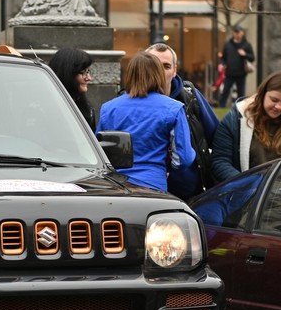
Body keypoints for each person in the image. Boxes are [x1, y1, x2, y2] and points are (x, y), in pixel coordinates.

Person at [96, 52, 195, 194]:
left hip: (115, 187)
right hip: (153, 186)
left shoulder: (109, 108)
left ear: (129, 75)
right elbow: (183, 158)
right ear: (158, 75)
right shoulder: (173, 108)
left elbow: (99, 152)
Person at [211, 70, 281, 182]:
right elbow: (220, 161)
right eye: (274, 100)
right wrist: (246, 184)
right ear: (262, 94)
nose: (278, 107)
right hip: (247, 193)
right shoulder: (235, 118)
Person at [146, 43, 219, 200]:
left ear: (174, 70)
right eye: (154, 65)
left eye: (166, 66)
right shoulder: (129, 102)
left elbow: (217, 137)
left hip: (194, 195)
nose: (159, 71)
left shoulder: (190, 97)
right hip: (149, 194)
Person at [48, 47, 96, 130]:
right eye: (83, 72)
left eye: (88, 71)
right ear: (68, 74)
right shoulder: (44, 107)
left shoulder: (87, 109)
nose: (89, 78)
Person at [218, 25, 255, 108]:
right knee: (225, 91)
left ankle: (240, 108)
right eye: (235, 32)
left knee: (241, 93)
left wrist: (245, 54)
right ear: (233, 33)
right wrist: (223, 64)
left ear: (242, 33)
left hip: (241, 73)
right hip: (229, 73)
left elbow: (252, 58)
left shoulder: (246, 45)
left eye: (239, 32)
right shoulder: (228, 44)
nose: (237, 34)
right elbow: (223, 58)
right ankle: (221, 107)